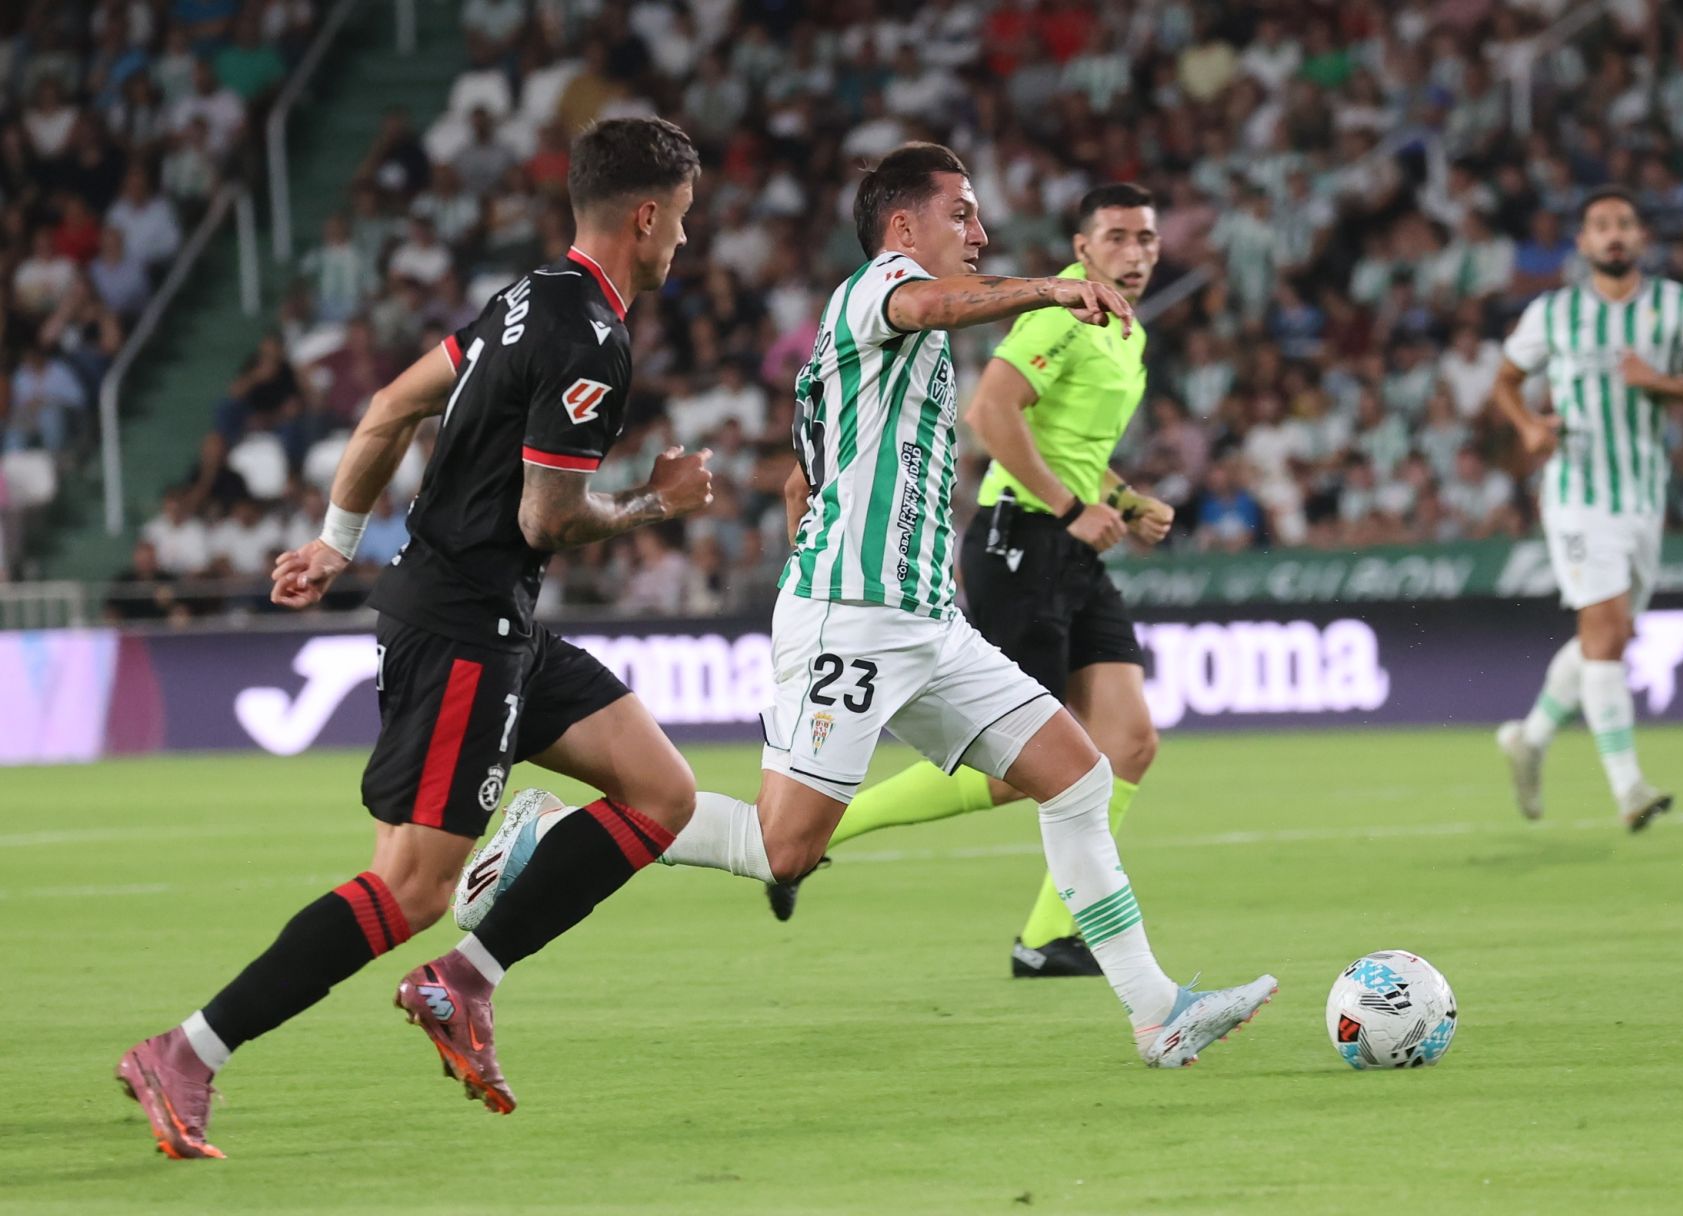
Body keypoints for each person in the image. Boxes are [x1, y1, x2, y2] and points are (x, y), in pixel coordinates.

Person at [456, 144, 1275, 1072]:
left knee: (1077, 775)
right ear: (903, 228)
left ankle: (1156, 1011)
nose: (980, 230)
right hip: (852, 614)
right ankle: (554, 834)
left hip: (926, 620)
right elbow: (928, 304)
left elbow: (821, 460)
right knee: (782, 851)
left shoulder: (889, 338)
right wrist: (1050, 289)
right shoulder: (878, 290)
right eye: (961, 213)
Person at [115, 117, 714, 1160]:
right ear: (648, 214)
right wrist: (654, 505)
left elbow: (392, 405)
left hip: (493, 620)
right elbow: (546, 519)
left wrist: (336, 539)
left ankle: (464, 981)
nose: (687, 246)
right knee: (412, 885)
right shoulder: (594, 340)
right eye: (685, 223)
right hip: (464, 629)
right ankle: (188, 1050)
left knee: (662, 792)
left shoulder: (522, 298)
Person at [759, 183, 1175, 980]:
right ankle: (820, 833)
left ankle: (1052, 939)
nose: (1136, 253)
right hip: (1022, 539)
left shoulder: (1126, 333)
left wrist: (1119, 498)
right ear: (1082, 248)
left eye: (1147, 239)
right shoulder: (1058, 315)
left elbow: (1070, 442)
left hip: (1071, 548)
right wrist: (1069, 507)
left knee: (1128, 744)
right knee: (1028, 768)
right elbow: (994, 412)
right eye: (1117, 237)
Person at [1489, 187, 1683, 830]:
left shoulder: (1680, 308)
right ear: (1584, 243)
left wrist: (1661, 382)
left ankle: (1532, 738)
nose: (1613, 234)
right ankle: (1629, 789)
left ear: (1641, 238)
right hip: (1575, 491)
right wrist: (1528, 428)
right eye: (1600, 225)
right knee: (1603, 626)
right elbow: (1505, 381)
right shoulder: (1555, 313)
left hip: (1643, 495)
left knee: (1611, 634)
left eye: (1624, 223)